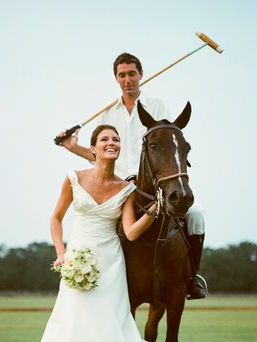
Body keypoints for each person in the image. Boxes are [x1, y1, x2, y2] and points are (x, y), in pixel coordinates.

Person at [20, 125, 164, 342]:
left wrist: (154, 211)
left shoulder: (124, 189)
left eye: (115, 140)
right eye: (104, 140)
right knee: (71, 331)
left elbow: (129, 232)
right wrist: (61, 253)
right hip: (76, 259)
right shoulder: (74, 177)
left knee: (110, 332)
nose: (111, 143)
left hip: (110, 266)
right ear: (94, 148)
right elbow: (56, 218)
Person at [59, 52, 207, 300]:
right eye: (122, 75)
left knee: (197, 214)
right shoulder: (105, 113)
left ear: (141, 75)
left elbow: (168, 144)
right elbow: (99, 154)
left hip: (151, 186)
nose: (127, 79)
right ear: (116, 79)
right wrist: (72, 147)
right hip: (117, 188)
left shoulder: (158, 106)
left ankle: (192, 278)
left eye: (132, 74)